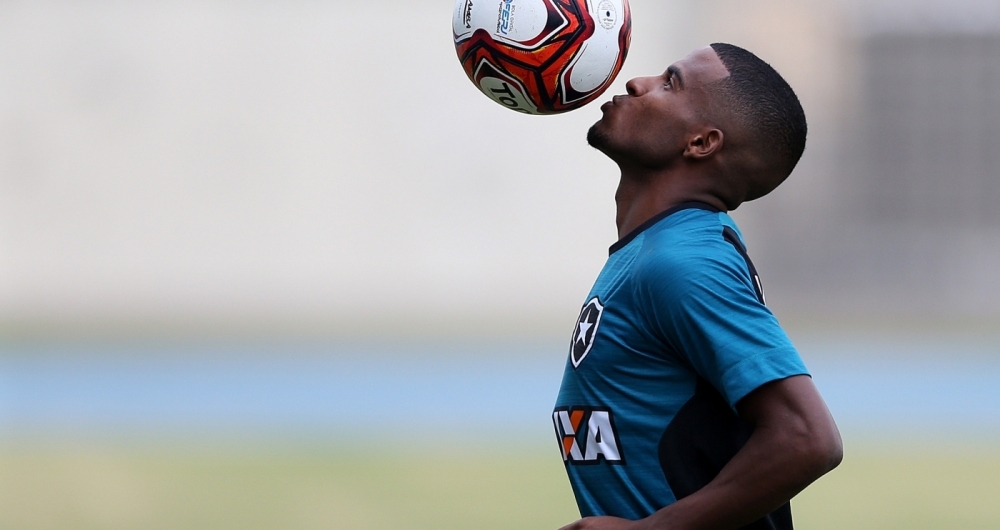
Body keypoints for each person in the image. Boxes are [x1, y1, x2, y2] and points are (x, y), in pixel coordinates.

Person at [552, 43, 843, 530]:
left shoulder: (683, 262)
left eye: (670, 83)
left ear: (702, 142)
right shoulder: (654, 252)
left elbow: (807, 437)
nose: (636, 82)